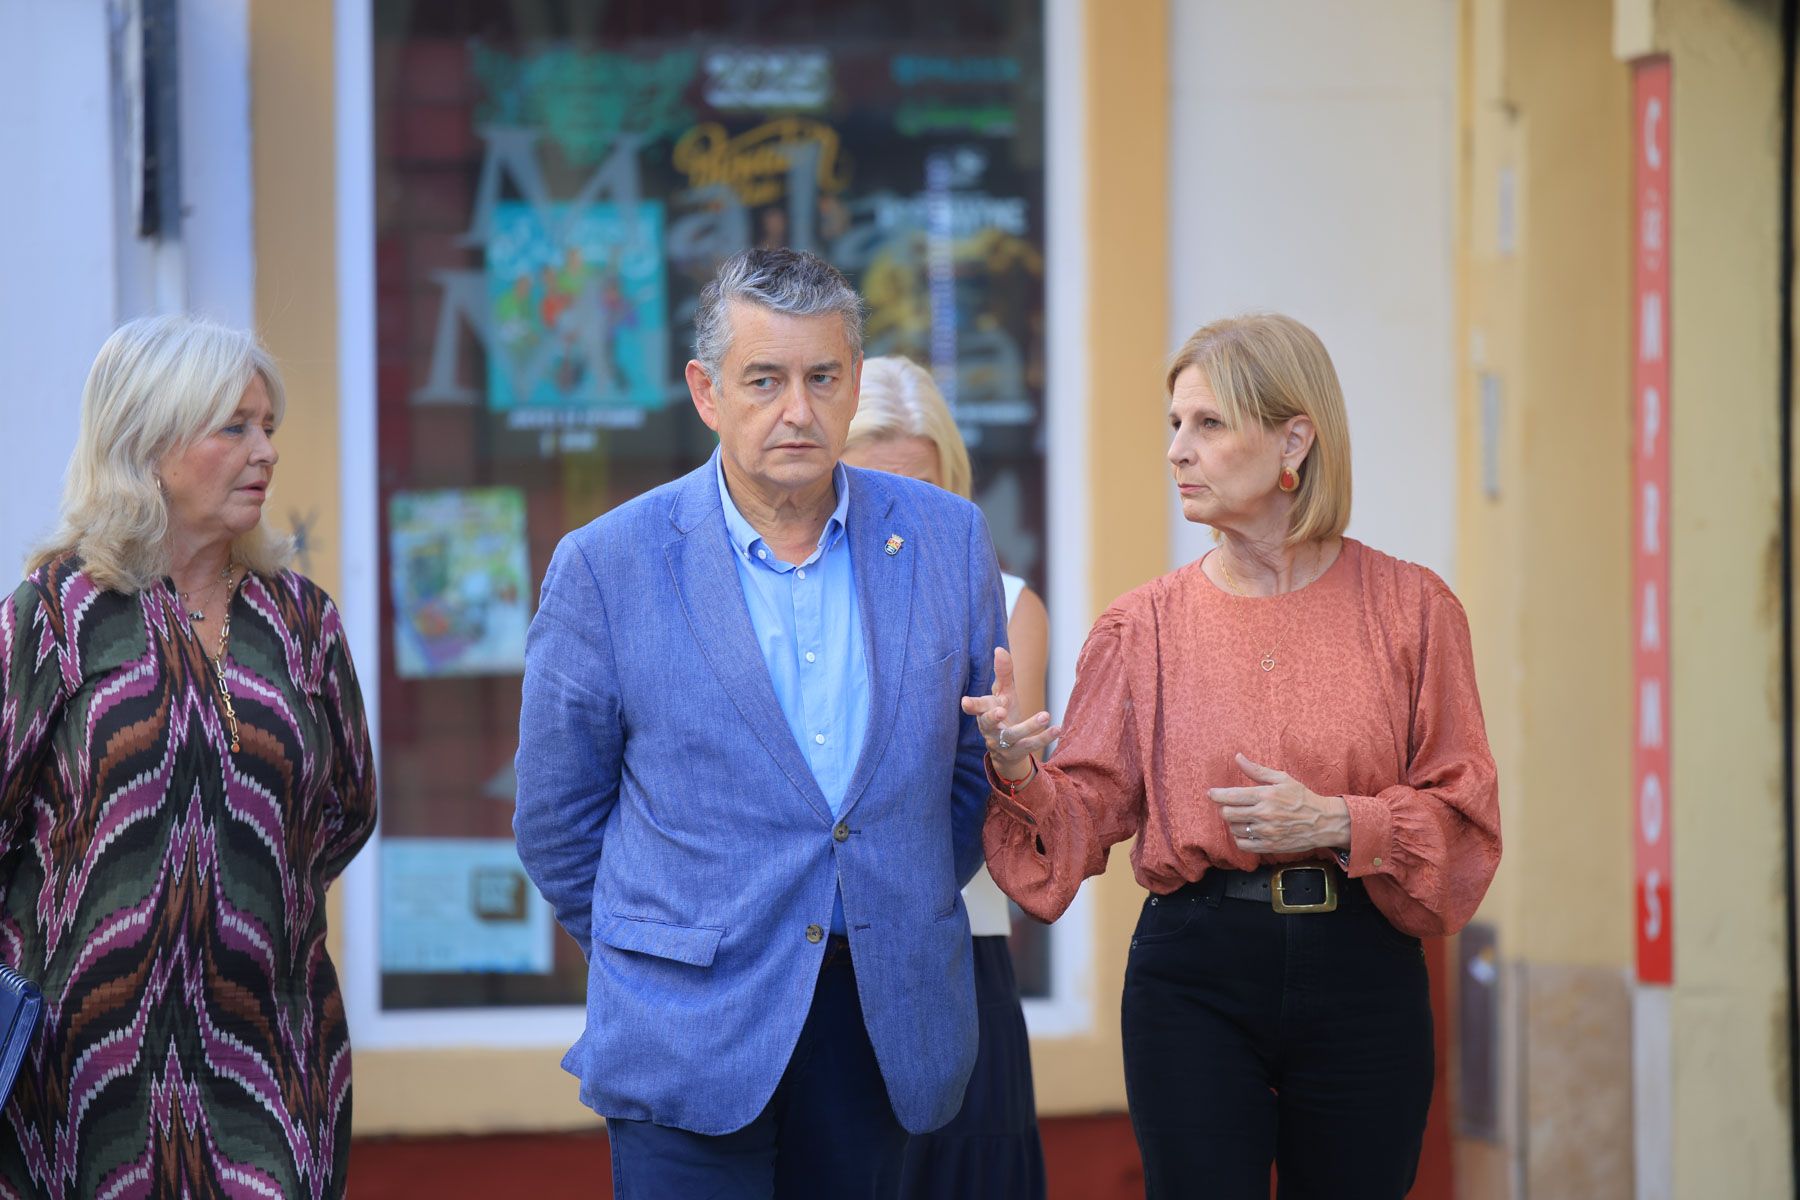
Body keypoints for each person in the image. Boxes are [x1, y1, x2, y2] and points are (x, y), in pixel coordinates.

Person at [965, 313, 1502, 1199]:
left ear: (1294, 440)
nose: (1178, 450)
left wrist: (1340, 821)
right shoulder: (1142, 626)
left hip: (1365, 967)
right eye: (1175, 424)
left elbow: (1466, 817)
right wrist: (1020, 773)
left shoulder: (1413, 609)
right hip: (1194, 973)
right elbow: (1085, 815)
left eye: (1209, 424)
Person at [513, 248, 1009, 1199]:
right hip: (685, 1028)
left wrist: (883, 891)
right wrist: (663, 946)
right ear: (706, 392)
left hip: (879, 1016)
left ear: (854, 383)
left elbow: (965, 776)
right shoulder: (608, 565)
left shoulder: (947, 540)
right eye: (764, 380)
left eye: (822, 378)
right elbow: (555, 822)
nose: (798, 410)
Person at [0, 315, 378, 1198]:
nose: (265, 451)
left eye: (268, 426)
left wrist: (229, 894)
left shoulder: (303, 621)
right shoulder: (56, 614)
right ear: (149, 442)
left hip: (276, 1055)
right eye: (233, 427)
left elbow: (346, 813)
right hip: (78, 1073)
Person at [840, 355, 1048, 1200]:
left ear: (953, 487)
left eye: (920, 486)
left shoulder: (1004, 599)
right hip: (818, 958)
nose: (896, 508)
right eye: (870, 482)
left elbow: (1017, 797)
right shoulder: (789, 605)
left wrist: (1008, 754)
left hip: (959, 946)